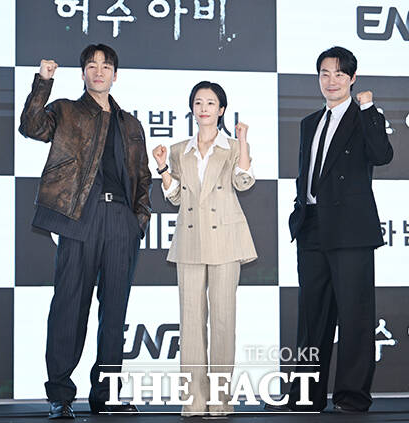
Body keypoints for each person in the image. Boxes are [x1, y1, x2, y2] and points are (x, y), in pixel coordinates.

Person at [18, 43, 152, 419]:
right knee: (69, 306)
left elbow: (143, 177)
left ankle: (106, 393)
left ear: (115, 75)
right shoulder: (66, 110)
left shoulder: (130, 124)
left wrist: (137, 221)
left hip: (121, 222)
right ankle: (60, 395)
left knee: (115, 311)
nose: (99, 71)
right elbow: (31, 127)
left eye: (106, 66)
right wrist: (43, 82)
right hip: (79, 217)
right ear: (82, 74)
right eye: (91, 65)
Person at [279, 46, 393, 413]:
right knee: (312, 318)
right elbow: (306, 173)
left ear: (352, 78)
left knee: (355, 316)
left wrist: (369, 108)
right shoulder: (310, 122)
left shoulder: (364, 116)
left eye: (340, 74)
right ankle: (305, 396)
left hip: (351, 229)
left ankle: (352, 396)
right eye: (325, 73)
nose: (332, 80)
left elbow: (382, 155)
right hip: (312, 225)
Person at [152, 81, 257, 416]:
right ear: (192, 109)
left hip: (226, 239)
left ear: (221, 109)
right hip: (190, 240)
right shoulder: (178, 149)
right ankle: (193, 400)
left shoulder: (233, 146)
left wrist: (243, 141)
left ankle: (220, 400)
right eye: (198, 102)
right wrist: (163, 168)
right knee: (190, 323)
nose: (204, 108)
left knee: (223, 321)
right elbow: (175, 197)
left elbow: (243, 181)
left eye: (211, 103)